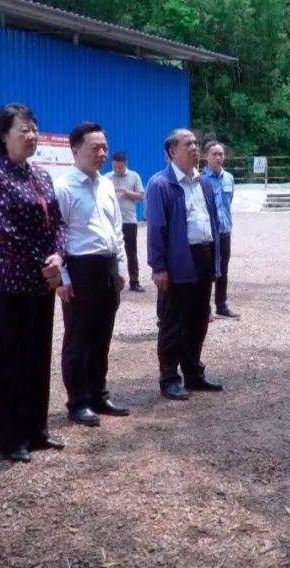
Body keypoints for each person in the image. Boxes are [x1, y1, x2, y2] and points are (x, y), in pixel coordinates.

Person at [0, 103, 67, 463]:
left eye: (34, 129)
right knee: (9, 360)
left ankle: (36, 430)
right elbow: (4, 232)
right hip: (8, 282)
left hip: (40, 281)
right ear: (4, 136)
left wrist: (59, 256)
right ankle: (10, 438)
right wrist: (43, 264)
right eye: (23, 129)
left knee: (36, 356)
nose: (31, 135)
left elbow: (58, 222)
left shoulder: (41, 175)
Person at [55, 123, 131, 426]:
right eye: (94, 148)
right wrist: (63, 278)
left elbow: (116, 229)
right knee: (78, 337)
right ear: (75, 150)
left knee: (102, 336)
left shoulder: (106, 185)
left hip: (107, 266)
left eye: (104, 148)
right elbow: (56, 235)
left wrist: (121, 266)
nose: (101, 153)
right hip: (79, 268)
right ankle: (78, 401)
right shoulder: (63, 187)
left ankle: (99, 394)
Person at [146, 129, 225, 400]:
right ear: (172, 152)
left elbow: (213, 223)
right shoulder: (160, 185)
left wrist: (215, 262)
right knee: (173, 322)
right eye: (188, 144)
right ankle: (169, 378)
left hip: (204, 255)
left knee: (198, 319)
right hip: (178, 260)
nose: (194, 147)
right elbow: (156, 228)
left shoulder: (204, 183)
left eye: (196, 143)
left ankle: (194, 374)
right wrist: (159, 267)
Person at [203, 141, 240, 319]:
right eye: (214, 154)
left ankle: (221, 305)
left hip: (225, 230)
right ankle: (205, 309)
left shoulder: (229, 178)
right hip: (208, 233)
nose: (218, 157)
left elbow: (228, 202)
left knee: (223, 270)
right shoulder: (200, 179)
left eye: (221, 154)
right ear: (206, 156)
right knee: (207, 270)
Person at [105, 151, 146, 292]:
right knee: (111, 251)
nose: (117, 169)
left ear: (126, 164)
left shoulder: (134, 176)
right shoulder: (106, 178)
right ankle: (113, 282)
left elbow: (141, 195)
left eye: (120, 167)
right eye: (115, 166)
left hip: (129, 221)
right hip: (111, 221)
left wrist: (126, 192)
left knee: (131, 252)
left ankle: (134, 282)